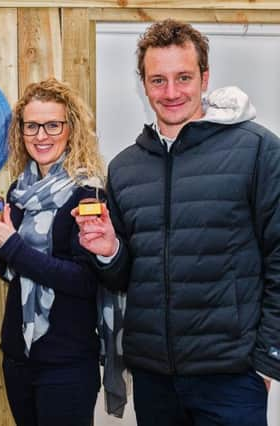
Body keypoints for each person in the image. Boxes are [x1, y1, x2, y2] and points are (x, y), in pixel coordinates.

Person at [72, 19, 280, 426]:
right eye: (158, 80)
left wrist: (267, 360)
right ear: (143, 84)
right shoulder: (125, 167)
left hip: (231, 379)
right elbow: (125, 277)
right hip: (154, 379)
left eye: (183, 77)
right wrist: (109, 251)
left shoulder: (257, 149)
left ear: (205, 78)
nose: (171, 93)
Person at [0, 78, 105, 426]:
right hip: (19, 356)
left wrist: (12, 245)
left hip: (67, 360)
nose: (41, 135)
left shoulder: (87, 193)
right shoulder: (18, 191)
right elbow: (10, 273)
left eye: (53, 125)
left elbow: (85, 280)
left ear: (71, 128)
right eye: (31, 126)